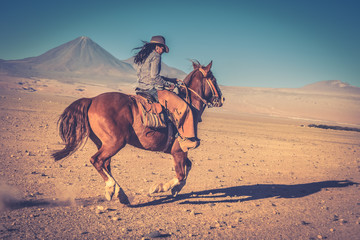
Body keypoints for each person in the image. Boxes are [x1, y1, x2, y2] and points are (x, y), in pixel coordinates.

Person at [133, 35, 199, 152]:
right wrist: (168, 85)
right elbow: (154, 77)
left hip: (140, 89)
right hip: (151, 89)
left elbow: (150, 75)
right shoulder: (156, 56)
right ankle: (186, 138)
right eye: (162, 48)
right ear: (157, 47)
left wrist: (171, 80)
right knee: (183, 107)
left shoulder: (143, 56)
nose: (163, 50)